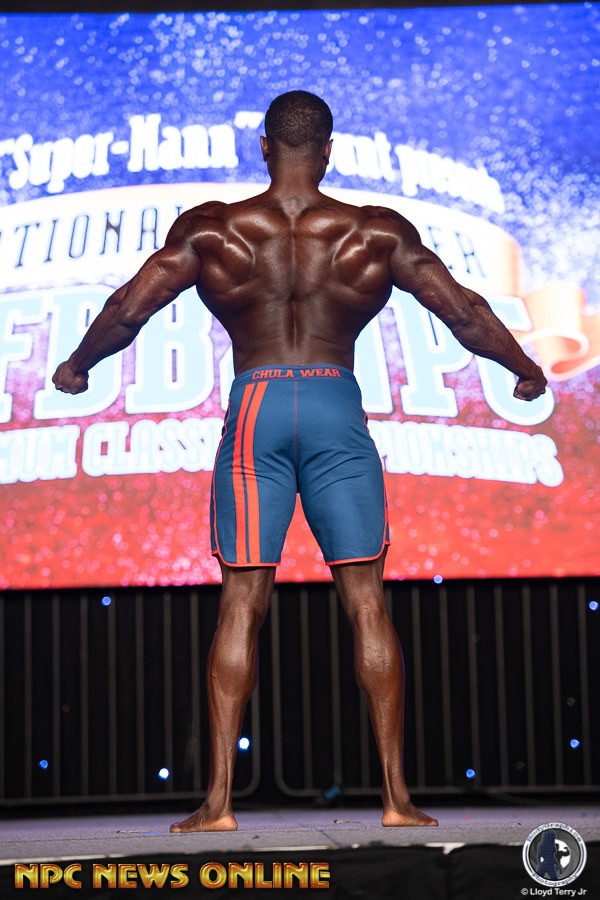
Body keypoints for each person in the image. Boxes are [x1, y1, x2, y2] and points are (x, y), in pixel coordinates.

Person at [53, 90, 547, 831]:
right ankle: (396, 800)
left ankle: (219, 804)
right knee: (367, 601)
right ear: (329, 150)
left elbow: (129, 308)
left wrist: (77, 366)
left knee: (241, 603)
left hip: (257, 408)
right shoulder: (373, 232)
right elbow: (464, 311)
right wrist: (523, 369)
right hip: (333, 406)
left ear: (263, 147)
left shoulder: (213, 229)